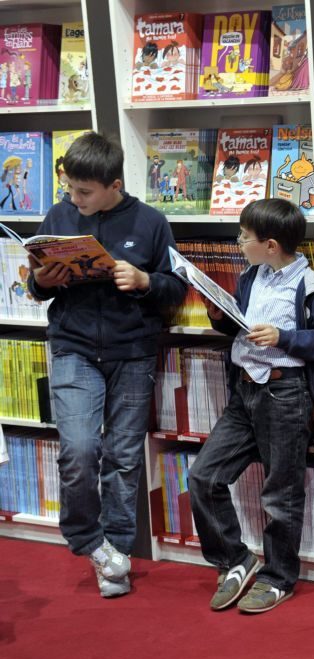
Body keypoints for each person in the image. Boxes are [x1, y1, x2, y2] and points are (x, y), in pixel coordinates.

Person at [26, 132, 187, 597]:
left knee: (122, 458)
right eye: (69, 189)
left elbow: (176, 290)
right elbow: (38, 290)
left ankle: (113, 557)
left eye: (84, 192)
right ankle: (86, 539)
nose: (73, 201)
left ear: (114, 184)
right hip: (73, 347)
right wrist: (42, 281)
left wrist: (143, 280)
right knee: (78, 450)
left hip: (132, 352)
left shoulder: (152, 222)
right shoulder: (60, 216)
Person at [187, 198, 314, 614]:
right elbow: (238, 326)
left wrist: (283, 337)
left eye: (244, 236)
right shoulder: (252, 276)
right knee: (203, 476)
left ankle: (278, 577)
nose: (239, 242)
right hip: (244, 392)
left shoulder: (311, 286)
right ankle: (234, 558)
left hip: (285, 394)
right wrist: (219, 314)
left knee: (281, 494)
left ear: (271, 244)